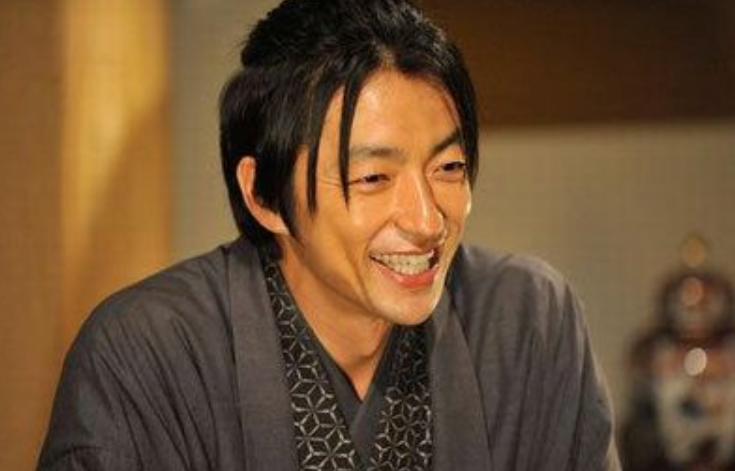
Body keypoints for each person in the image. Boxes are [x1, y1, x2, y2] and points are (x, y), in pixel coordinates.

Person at [38, 0, 620, 469]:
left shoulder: (528, 321)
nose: (426, 221)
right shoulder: (145, 355)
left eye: (448, 167)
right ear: (264, 195)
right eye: (373, 178)